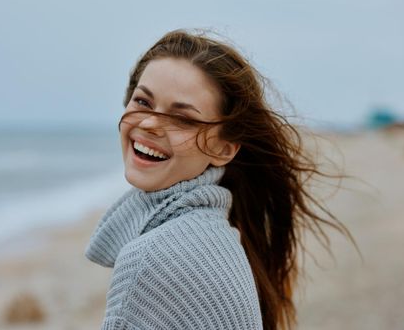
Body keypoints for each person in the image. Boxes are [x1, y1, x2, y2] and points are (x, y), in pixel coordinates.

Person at [85, 29, 349, 330]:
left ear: (224, 149)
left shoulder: (152, 258)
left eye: (183, 118)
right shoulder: (218, 237)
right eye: (143, 102)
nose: (148, 124)